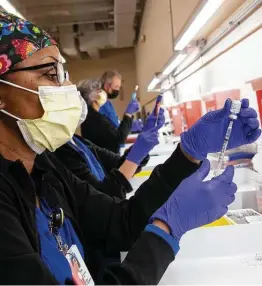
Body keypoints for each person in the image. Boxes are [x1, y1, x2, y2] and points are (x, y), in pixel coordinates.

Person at [0, 12, 260, 285]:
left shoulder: (45, 169)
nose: (68, 88)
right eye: (51, 74)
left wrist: (187, 154)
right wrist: (167, 228)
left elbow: (122, 221)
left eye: (65, 74)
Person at [54, 101, 165, 199]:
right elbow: (101, 197)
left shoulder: (78, 141)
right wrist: (136, 155)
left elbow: (118, 164)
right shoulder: (61, 151)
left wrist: (141, 144)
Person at [80, 76, 139, 153]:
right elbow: (119, 137)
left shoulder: (92, 116)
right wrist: (128, 114)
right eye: (98, 90)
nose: (102, 92)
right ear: (92, 97)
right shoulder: (95, 119)